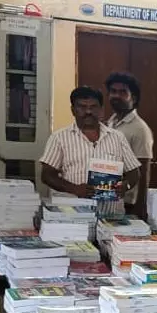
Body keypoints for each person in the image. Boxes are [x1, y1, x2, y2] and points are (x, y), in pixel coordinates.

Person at [40, 86, 140, 216]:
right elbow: (47, 175)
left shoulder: (117, 137)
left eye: (93, 107)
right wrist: (75, 189)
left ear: (101, 110)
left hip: (112, 217)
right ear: (73, 110)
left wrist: (125, 186)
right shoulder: (59, 138)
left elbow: (134, 172)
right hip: (73, 216)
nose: (88, 111)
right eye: (82, 107)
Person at [104, 72, 153, 219]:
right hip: (107, 197)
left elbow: (144, 170)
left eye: (123, 92)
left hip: (128, 203)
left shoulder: (139, 128)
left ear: (134, 97)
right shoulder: (110, 123)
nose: (116, 96)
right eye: (113, 91)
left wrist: (140, 209)